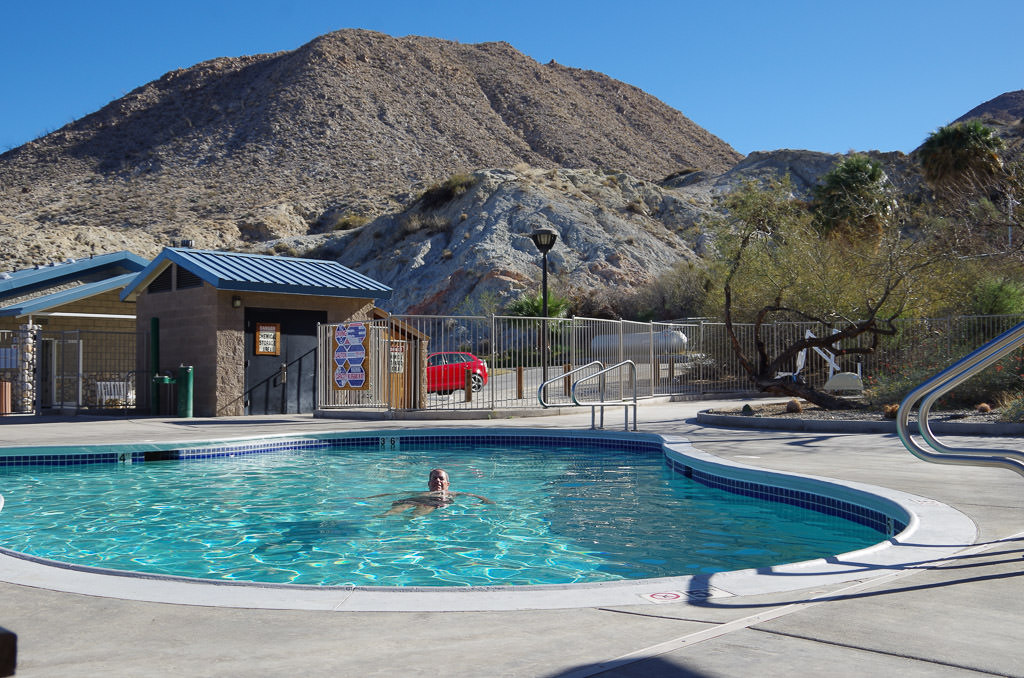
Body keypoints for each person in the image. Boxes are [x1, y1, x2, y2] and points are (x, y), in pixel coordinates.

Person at [375, 468, 493, 517]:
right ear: (429, 483)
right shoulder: (419, 493)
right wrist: (370, 498)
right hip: (416, 500)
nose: (437, 480)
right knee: (401, 506)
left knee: (418, 513)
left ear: (447, 484)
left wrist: (486, 501)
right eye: (434, 478)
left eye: (441, 478)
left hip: (434, 503)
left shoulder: (452, 493)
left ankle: (409, 524)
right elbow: (396, 494)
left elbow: (474, 496)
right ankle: (381, 517)